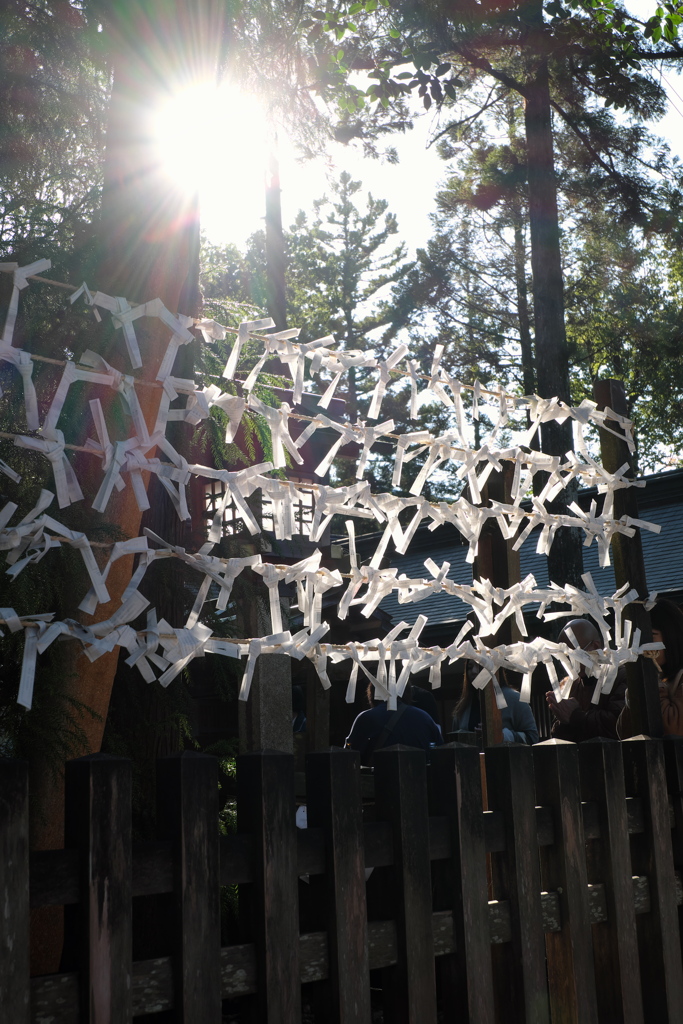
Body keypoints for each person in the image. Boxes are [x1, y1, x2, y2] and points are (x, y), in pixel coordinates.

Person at [546, 618, 626, 741]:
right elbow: (559, 736)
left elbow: (619, 724)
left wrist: (575, 716)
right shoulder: (571, 685)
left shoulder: (620, 676)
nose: (569, 663)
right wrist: (562, 719)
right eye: (564, 657)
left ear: (595, 646)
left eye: (573, 654)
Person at [617, 598, 683, 737]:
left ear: (671, 636)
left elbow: (674, 728)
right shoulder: (660, 677)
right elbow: (625, 732)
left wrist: (651, 682)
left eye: (650, 636)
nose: (642, 646)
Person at [345, 683, 443, 766]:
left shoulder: (366, 718)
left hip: (379, 782)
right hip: (420, 781)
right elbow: (440, 752)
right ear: (407, 692)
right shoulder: (425, 717)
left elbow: (349, 756)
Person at [451, 661, 538, 744]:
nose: (473, 671)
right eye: (470, 667)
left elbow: (532, 738)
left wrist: (500, 735)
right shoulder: (464, 704)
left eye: (479, 665)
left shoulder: (514, 698)